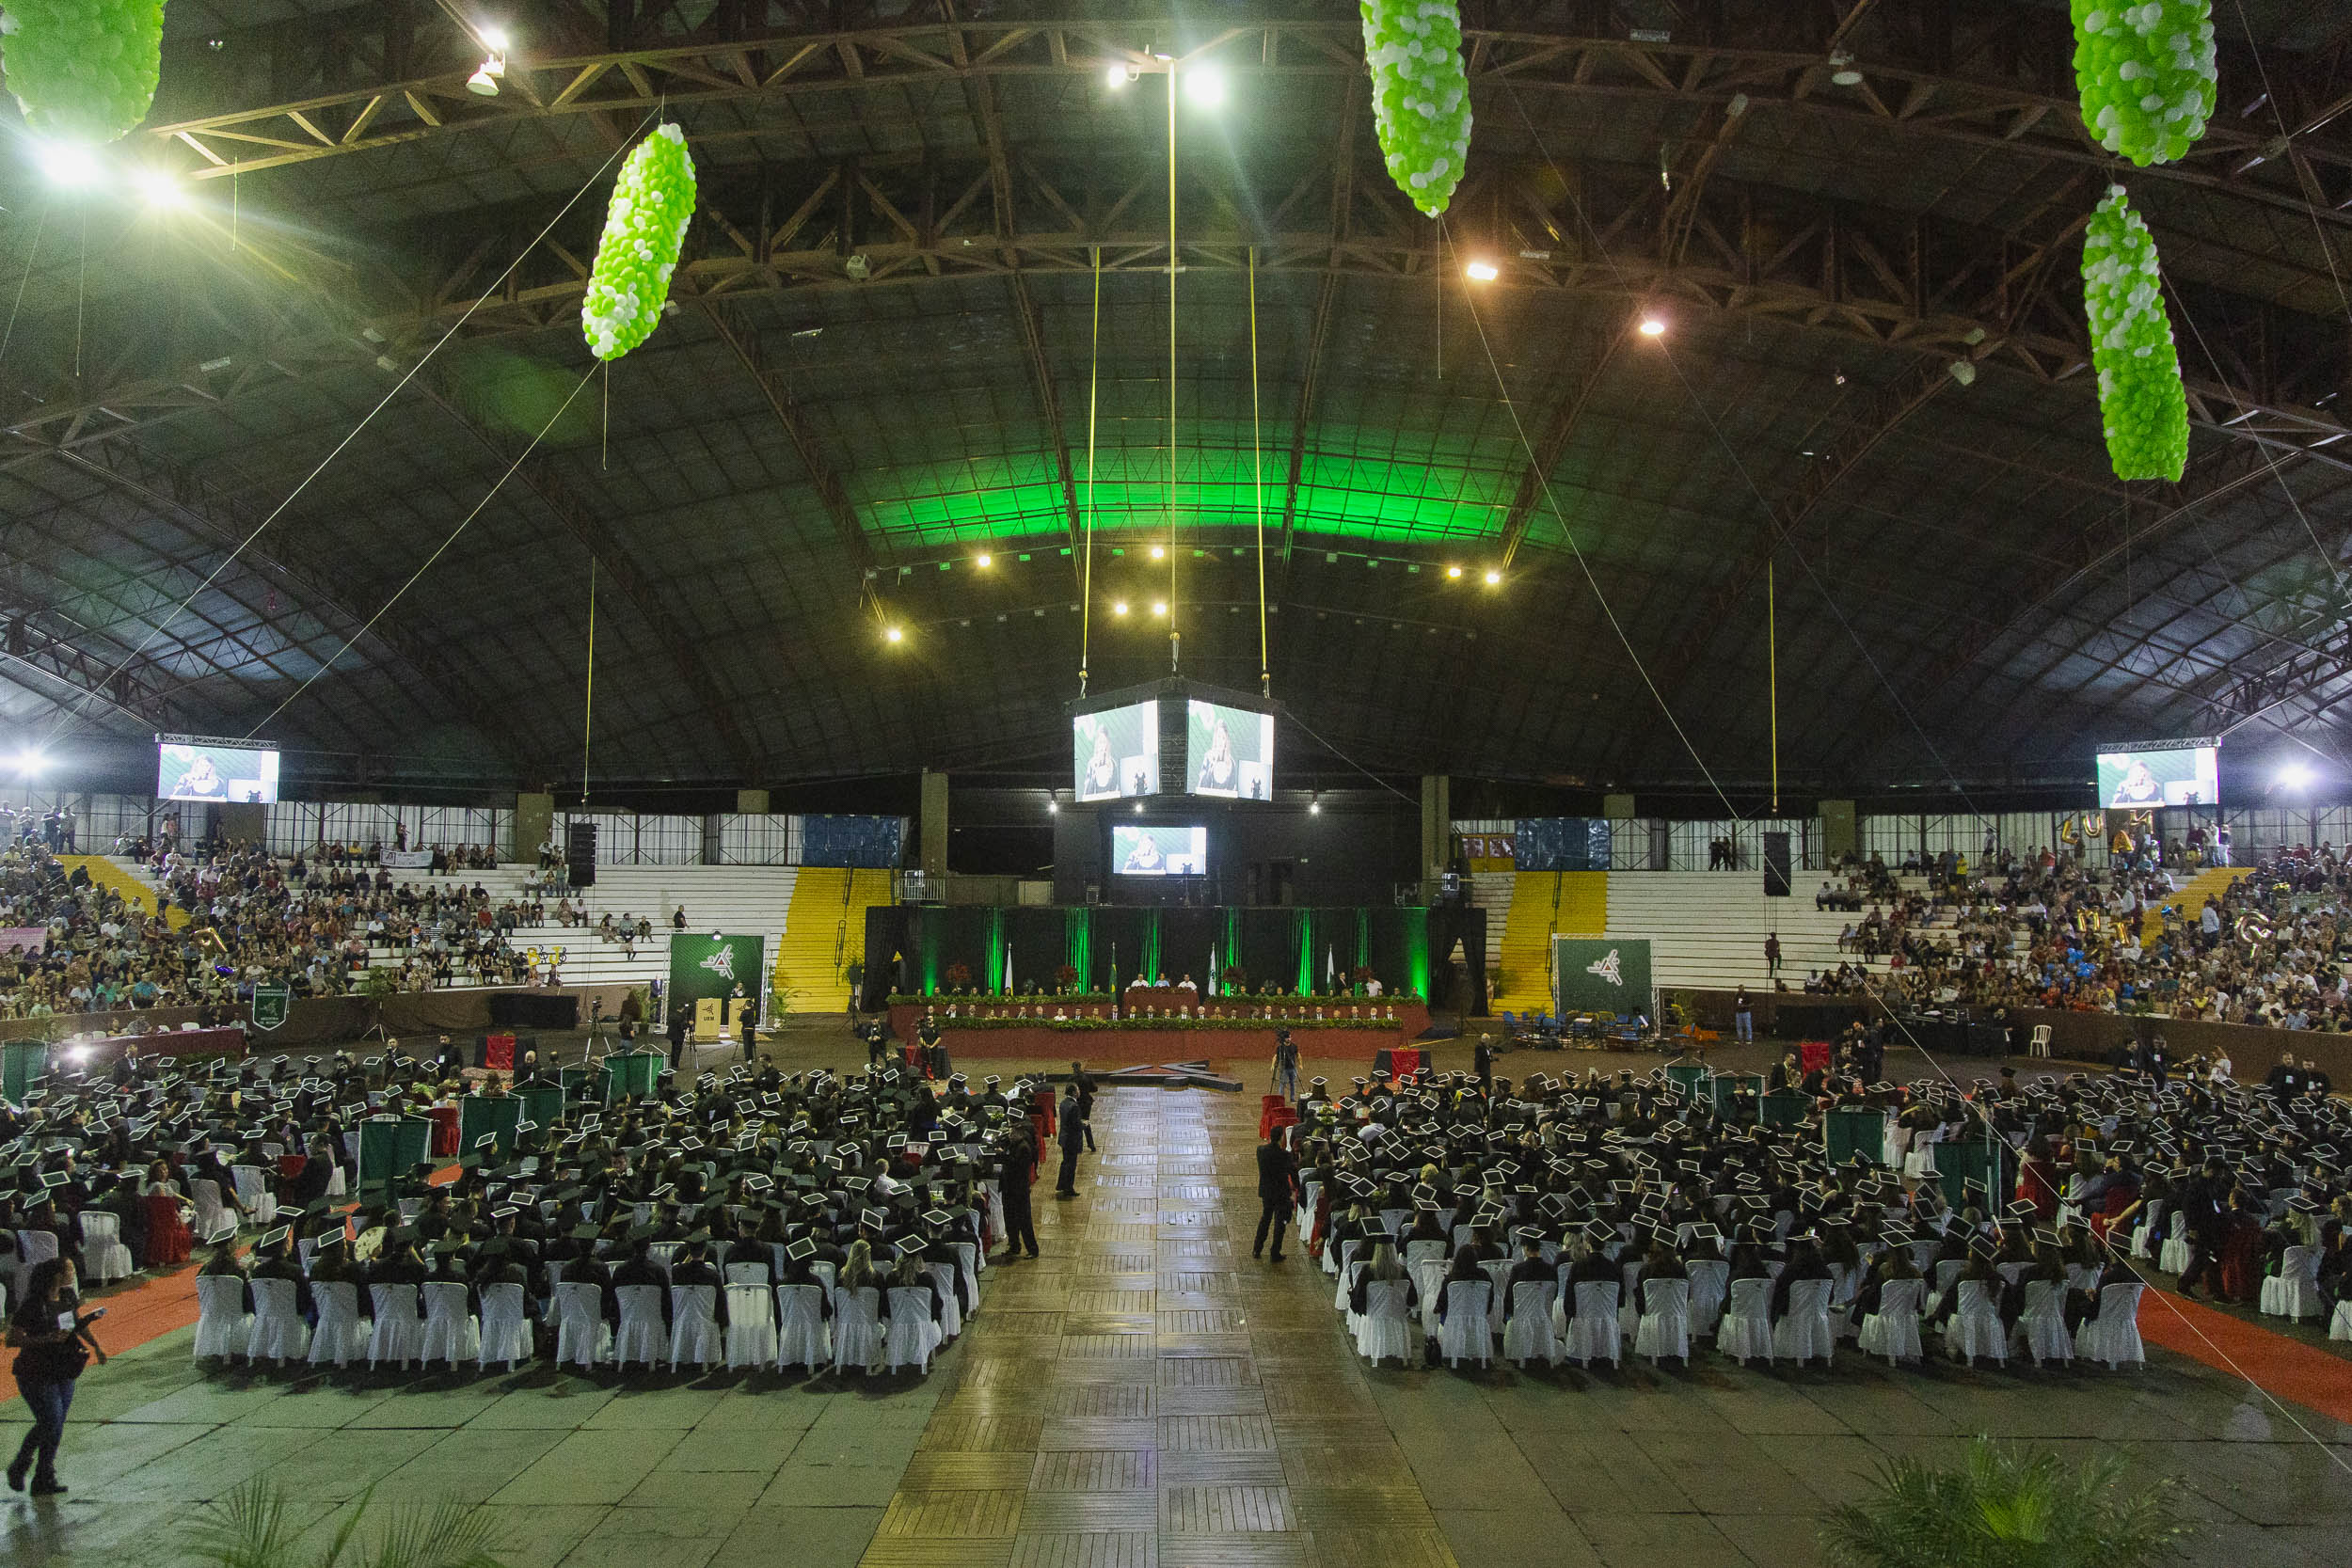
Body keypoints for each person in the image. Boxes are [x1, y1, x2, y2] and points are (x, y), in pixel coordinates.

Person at [8, 1257, 106, 1495]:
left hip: (64, 1367)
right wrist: (46, 1339)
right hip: (37, 1371)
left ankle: (44, 1475)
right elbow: (12, 1340)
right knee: (50, 1421)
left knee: (56, 1424)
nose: (73, 1273)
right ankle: (22, 1463)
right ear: (56, 1275)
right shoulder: (32, 1305)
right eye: (69, 1269)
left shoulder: (68, 1297)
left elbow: (77, 1324)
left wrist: (96, 1345)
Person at [1253, 1127, 1295, 1263]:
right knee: (1279, 1224)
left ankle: (1257, 1248)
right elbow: (1292, 1172)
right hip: (1281, 1192)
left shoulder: (1261, 1151)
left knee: (1265, 1219)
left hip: (1267, 1191)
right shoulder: (1285, 1155)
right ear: (1281, 1138)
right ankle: (1275, 1252)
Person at [996, 1130, 1039, 1261]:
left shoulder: (1024, 1148)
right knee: (1009, 1219)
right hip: (1008, 1188)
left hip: (1019, 1190)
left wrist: (1003, 1155)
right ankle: (1014, 1246)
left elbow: (1017, 1166)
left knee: (1024, 1220)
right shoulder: (1013, 1145)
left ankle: (1032, 1249)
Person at [1054, 1086, 1085, 1197]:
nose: (1079, 1091)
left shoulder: (1063, 1103)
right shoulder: (1074, 1106)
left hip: (1064, 1138)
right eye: (1078, 1090)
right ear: (1074, 1092)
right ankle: (1068, 1188)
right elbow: (1075, 1124)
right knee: (1071, 1165)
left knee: (1065, 1162)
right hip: (1072, 1139)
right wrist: (1083, 1125)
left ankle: (1062, 1185)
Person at [1071, 1061, 1097, 1152]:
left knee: (1076, 1124)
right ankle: (1091, 1144)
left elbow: (1069, 1092)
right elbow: (1095, 1089)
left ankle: (1079, 1147)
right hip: (1086, 1102)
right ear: (1080, 1067)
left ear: (1073, 1068)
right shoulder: (1088, 1076)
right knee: (1086, 1122)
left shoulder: (1072, 1078)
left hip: (1076, 1104)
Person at [1273, 1028, 1299, 1102]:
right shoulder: (1280, 1048)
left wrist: (1300, 1064)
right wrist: (1274, 1065)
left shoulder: (1294, 1046)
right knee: (1282, 1084)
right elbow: (1276, 1057)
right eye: (1288, 1037)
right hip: (1284, 1068)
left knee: (1293, 1083)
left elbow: (1298, 1055)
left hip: (1292, 1068)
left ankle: (1292, 1098)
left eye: (1290, 1037)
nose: (1289, 1039)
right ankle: (1281, 1099)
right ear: (1284, 1038)